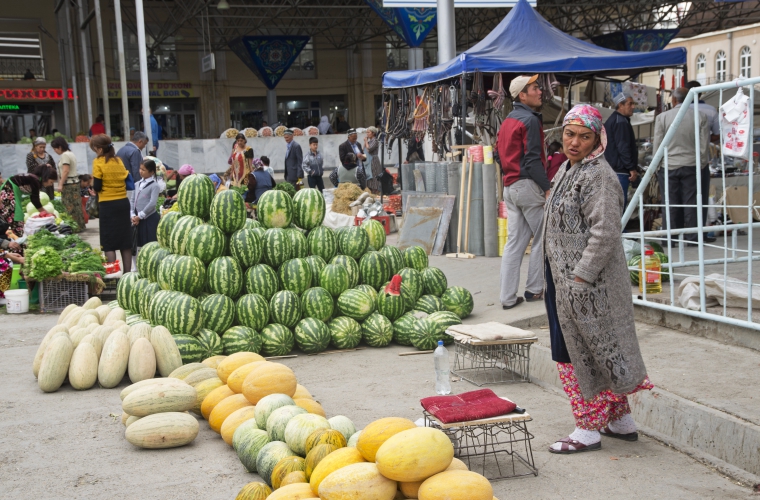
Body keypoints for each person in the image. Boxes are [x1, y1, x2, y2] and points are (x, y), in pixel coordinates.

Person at [544, 104, 653, 454]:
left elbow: (606, 232)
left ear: (597, 139)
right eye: (569, 133)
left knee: (573, 354)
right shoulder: (567, 168)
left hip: (587, 286)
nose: (574, 142)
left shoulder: (598, 176)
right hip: (564, 282)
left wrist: (581, 276)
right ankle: (619, 420)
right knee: (595, 351)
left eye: (584, 136)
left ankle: (587, 428)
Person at [496, 74, 549, 309]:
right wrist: (547, 188)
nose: (540, 91)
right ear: (522, 95)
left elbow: (499, 155)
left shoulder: (508, 120)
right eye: (535, 88)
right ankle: (535, 289)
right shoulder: (529, 120)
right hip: (527, 185)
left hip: (510, 186)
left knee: (515, 243)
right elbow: (533, 161)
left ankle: (507, 298)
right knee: (543, 237)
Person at [653, 87, 712, 245]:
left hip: (668, 166)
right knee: (691, 204)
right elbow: (704, 146)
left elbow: (658, 146)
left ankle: (670, 239)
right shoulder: (700, 116)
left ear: (673, 100)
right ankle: (693, 239)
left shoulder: (662, 118)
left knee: (669, 204)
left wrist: (657, 167)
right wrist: (701, 165)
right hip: (692, 165)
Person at [91, 134, 132, 272]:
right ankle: (127, 276)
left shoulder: (98, 162)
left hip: (107, 205)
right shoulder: (118, 161)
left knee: (109, 243)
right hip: (123, 203)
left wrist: (93, 189)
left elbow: (97, 186)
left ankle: (114, 275)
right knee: (125, 242)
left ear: (99, 149)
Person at [686, 80, 721, 235]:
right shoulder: (711, 110)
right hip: (702, 160)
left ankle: (684, 231)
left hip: (679, 161)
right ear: (702, 92)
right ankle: (700, 230)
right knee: (701, 196)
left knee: (683, 198)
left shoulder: (679, 109)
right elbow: (718, 135)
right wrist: (705, 139)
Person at [0, 166, 57, 237]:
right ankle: (15, 240)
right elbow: (35, 200)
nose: (50, 185)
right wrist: (46, 213)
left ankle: (12, 238)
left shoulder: (34, 179)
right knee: (16, 217)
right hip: (9, 191)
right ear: (46, 177)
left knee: (12, 217)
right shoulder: (35, 181)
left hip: (9, 189)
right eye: (51, 182)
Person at [604, 92, 639, 207]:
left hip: (613, 169)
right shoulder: (620, 122)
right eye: (630, 104)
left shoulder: (615, 119)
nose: (633, 107)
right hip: (620, 171)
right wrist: (631, 168)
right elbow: (623, 147)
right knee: (619, 207)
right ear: (620, 105)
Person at [50, 137, 86, 231]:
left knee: (69, 206)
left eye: (55, 148)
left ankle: (73, 227)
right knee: (76, 205)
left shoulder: (65, 155)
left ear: (60, 147)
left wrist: (60, 184)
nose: (55, 151)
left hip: (68, 184)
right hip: (74, 183)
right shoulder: (71, 153)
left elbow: (65, 171)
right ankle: (80, 226)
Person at [131, 159, 161, 257]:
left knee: (148, 243)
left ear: (151, 172)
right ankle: (136, 266)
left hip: (149, 218)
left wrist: (140, 216)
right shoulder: (137, 184)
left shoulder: (154, 186)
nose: (140, 171)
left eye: (143, 170)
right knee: (136, 243)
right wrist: (132, 214)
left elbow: (152, 203)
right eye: (140, 169)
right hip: (136, 218)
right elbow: (132, 200)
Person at [364, 126, 383, 193]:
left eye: (368, 132)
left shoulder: (375, 140)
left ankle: (376, 189)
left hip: (374, 160)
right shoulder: (369, 141)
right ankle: (371, 189)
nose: (367, 134)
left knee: (374, 174)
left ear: (373, 133)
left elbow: (369, 149)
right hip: (368, 160)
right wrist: (365, 142)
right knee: (369, 175)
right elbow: (364, 149)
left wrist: (366, 141)